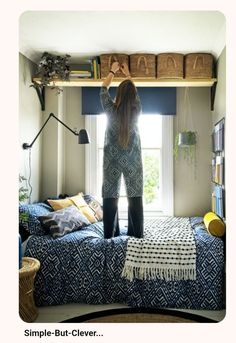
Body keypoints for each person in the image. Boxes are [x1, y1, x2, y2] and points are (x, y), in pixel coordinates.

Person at [100, 61, 144, 239]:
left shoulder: (110, 110)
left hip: (112, 161)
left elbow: (103, 89)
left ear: (118, 94)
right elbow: (133, 93)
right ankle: (136, 235)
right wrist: (128, 75)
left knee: (110, 197)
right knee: (135, 197)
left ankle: (111, 236)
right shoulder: (137, 110)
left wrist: (113, 70)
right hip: (133, 161)